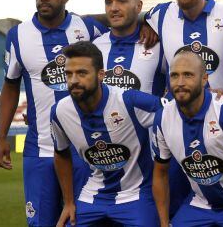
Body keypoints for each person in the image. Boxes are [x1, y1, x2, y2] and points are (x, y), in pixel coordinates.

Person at [0, 0, 108, 226]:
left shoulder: (87, 28)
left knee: (82, 220)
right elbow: (10, 86)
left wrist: (147, 25)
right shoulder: (18, 36)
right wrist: (2, 136)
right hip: (40, 147)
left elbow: (120, 28)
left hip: (83, 148)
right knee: (41, 222)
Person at [51, 41, 164, 226]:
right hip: (93, 195)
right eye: (68, 74)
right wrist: (69, 202)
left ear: (101, 75)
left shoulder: (129, 101)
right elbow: (61, 154)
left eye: (82, 73)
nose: (73, 80)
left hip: (136, 193)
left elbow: (177, 110)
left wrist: (213, 97)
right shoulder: (59, 112)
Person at [151, 50, 223, 226]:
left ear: (204, 79)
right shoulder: (162, 117)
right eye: (174, 76)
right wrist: (164, 223)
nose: (180, 83)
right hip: (200, 205)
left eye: (188, 75)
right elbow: (160, 174)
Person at [94, 0, 167, 95]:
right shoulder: (96, 46)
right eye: (108, 2)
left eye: (121, 1)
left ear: (138, 6)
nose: (114, 8)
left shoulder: (158, 44)